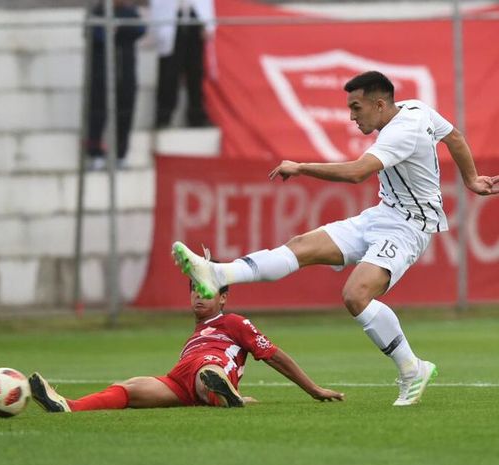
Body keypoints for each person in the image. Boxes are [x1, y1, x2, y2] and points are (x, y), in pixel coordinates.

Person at [171, 71, 499, 407]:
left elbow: (357, 173)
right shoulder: (417, 109)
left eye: (356, 108)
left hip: (409, 227)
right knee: (301, 246)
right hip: (383, 214)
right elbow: (455, 136)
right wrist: (472, 179)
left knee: (356, 295)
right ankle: (219, 273)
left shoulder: (402, 131)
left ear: (380, 104)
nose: (352, 116)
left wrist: (301, 167)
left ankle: (411, 368)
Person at [28, 278, 344, 412]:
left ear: (223, 298)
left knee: (208, 371)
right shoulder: (195, 334)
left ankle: (221, 392)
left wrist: (314, 389)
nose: (198, 295)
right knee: (132, 386)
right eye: (194, 289)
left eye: (206, 291)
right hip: (180, 379)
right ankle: (69, 406)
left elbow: (274, 356)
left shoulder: (234, 322)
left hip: (212, 367)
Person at [86, 0, 145, 170]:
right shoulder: (98, 11)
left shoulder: (130, 12)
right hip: (101, 74)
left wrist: (118, 28)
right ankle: (95, 154)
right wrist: (110, 31)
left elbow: (139, 29)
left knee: (125, 112)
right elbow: (95, 34)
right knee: (97, 113)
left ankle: (121, 154)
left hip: (125, 73)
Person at [150, 0, 214, 128]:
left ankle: (197, 116)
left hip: (195, 19)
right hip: (171, 19)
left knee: (196, 71)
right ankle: (164, 116)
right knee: (169, 72)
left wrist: (208, 25)